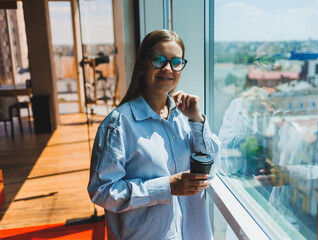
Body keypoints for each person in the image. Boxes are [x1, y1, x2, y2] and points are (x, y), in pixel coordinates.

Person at [87, 29, 220, 240]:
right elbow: (102, 192)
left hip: (193, 232)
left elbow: (211, 170)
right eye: (158, 60)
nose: (167, 68)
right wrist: (166, 187)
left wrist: (197, 120)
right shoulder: (118, 124)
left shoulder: (185, 119)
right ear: (141, 65)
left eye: (176, 62)